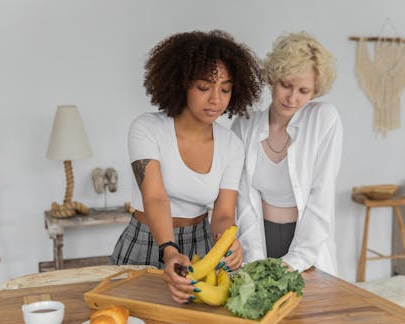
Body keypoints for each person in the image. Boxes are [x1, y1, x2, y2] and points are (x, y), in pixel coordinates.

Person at [110, 30, 263, 303]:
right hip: (146, 241)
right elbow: (155, 196)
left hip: (202, 246)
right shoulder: (147, 128)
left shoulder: (231, 145)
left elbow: (224, 212)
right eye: (204, 87)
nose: (216, 99)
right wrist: (169, 250)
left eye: (225, 89)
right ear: (181, 84)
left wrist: (228, 242)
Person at [231, 32, 343, 275]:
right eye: (286, 85)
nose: (292, 98)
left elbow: (321, 195)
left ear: (315, 92)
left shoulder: (324, 119)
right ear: (272, 77)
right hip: (259, 235)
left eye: (304, 90)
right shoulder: (244, 125)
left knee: (310, 310)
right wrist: (254, 257)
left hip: (307, 241)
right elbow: (243, 200)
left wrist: (297, 259)